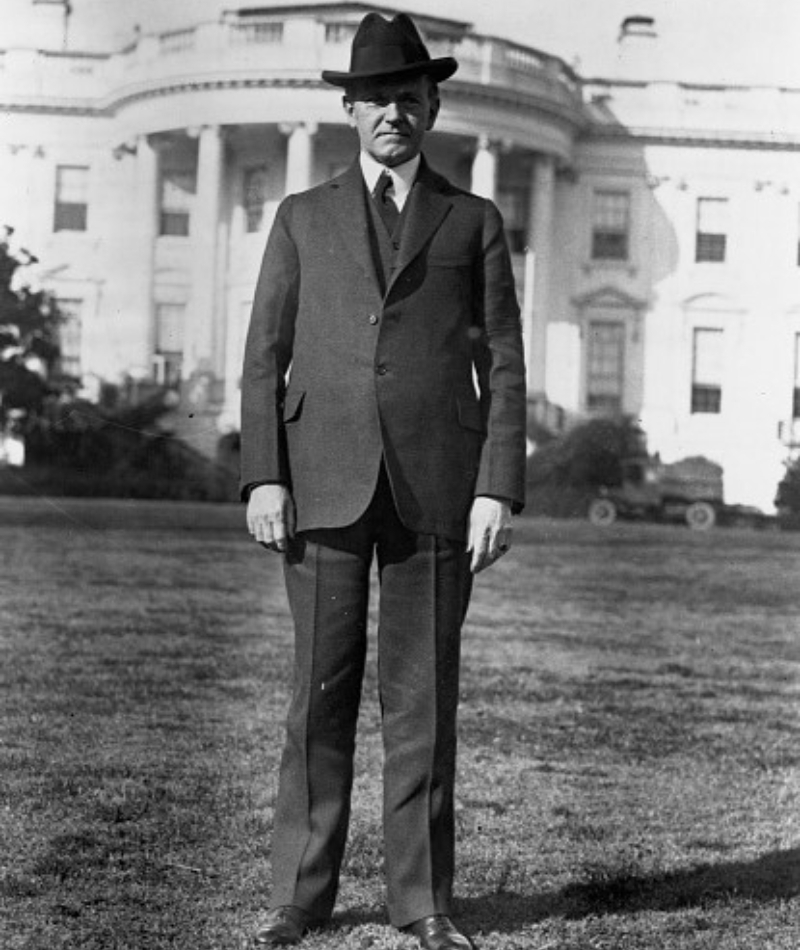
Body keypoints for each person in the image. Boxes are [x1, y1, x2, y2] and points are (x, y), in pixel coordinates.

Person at [240, 12, 527, 950]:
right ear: (350, 112)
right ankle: (300, 895)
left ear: (433, 106)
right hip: (318, 483)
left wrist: (497, 487)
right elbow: (263, 357)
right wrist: (263, 479)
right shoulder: (301, 217)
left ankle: (423, 902)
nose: (392, 113)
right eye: (375, 99)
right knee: (316, 696)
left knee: (424, 703)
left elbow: (506, 364)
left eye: (409, 96)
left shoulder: (474, 221)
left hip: (439, 486)